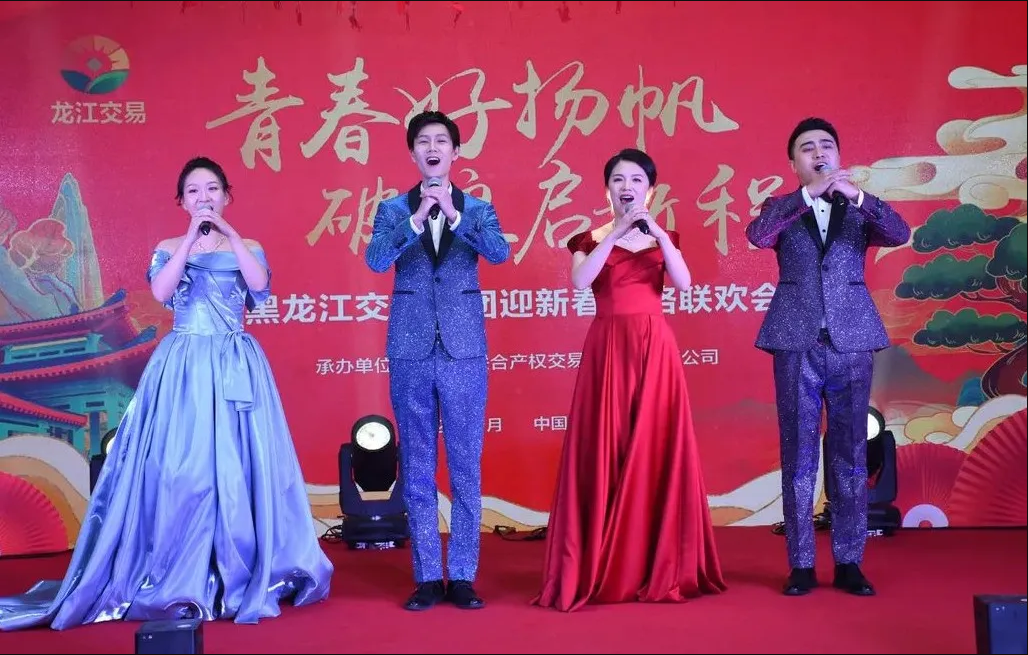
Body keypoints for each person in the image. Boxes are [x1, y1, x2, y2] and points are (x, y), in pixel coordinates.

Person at [0, 156, 334, 631]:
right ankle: (181, 567)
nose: (204, 197)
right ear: (182, 201)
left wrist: (230, 235)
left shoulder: (248, 246)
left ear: (227, 196)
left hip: (236, 363)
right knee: (186, 469)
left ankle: (242, 566)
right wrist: (190, 242)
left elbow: (259, 286)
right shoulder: (169, 247)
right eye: (194, 191)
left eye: (212, 189)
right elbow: (161, 293)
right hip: (184, 366)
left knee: (241, 465)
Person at [531, 148, 727, 613]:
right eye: (618, 180)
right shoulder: (590, 237)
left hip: (655, 348)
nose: (627, 187)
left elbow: (684, 283)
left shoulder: (664, 237)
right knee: (607, 445)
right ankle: (602, 561)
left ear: (650, 190)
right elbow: (581, 282)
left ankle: (654, 562)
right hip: (608, 350)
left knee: (655, 445)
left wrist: (654, 232)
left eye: (637, 180)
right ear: (607, 190)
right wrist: (617, 232)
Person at [745, 118, 911, 597]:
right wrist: (807, 195)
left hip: (851, 340)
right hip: (795, 341)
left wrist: (857, 197)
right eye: (807, 148)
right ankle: (800, 563)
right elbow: (758, 235)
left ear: (839, 154)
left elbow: (899, 232)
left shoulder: (859, 207)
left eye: (826, 146)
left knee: (851, 455)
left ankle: (849, 561)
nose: (818, 153)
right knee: (797, 455)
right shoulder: (781, 208)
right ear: (793, 162)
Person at [364, 111, 510, 611]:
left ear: (455, 152)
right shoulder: (391, 210)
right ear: (412, 154)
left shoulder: (478, 208)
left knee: (466, 463)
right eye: (423, 141)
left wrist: (452, 213)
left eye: (441, 141)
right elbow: (376, 260)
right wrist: (414, 220)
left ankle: (463, 574)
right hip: (410, 349)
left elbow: (499, 253)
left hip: (464, 350)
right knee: (418, 464)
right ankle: (428, 575)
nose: (432, 148)